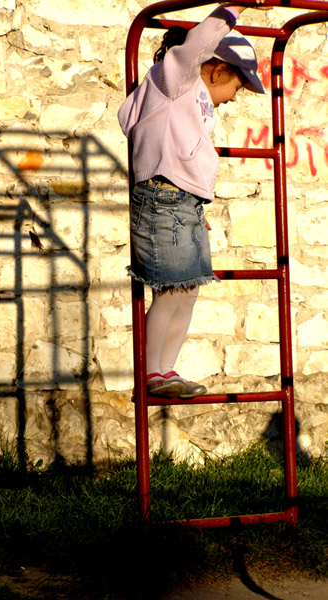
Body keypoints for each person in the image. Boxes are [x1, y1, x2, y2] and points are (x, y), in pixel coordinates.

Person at [118, 2, 270, 398]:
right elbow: (198, 43)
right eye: (237, 86)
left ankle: (166, 370)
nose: (236, 98)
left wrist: (195, 205)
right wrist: (234, 7)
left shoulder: (194, 98)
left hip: (185, 203)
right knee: (170, 289)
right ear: (218, 69)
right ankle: (150, 373)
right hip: (162, 199)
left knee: (188, 289)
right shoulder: (176, 80)